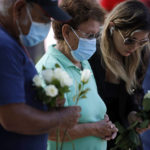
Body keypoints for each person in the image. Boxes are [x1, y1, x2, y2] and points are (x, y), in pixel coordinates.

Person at [36, 0, 118, 150]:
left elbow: (90, 112)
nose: (93, 42)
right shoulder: (49, 70)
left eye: (96, 35)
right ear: (66, 32)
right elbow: (49, 131)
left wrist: (105, 124)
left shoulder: (83, 62)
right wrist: (94, 128)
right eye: (88, 35)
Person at [0, 0, 81, 150]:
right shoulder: (4, 46)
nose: (46, 27)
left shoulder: (11, 41)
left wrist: (45, 103)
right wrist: (60, 118)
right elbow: (12, 117)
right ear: (19, 8)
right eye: (43, 19)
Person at [89, 0, 150, 149]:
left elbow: (133, 94)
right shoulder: (91, 53)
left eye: (142, 41)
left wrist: (134, 114)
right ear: (112, 27)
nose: (135, 47)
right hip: (94, 137)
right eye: (129, 40)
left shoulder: (140, 53)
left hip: (123, 139)